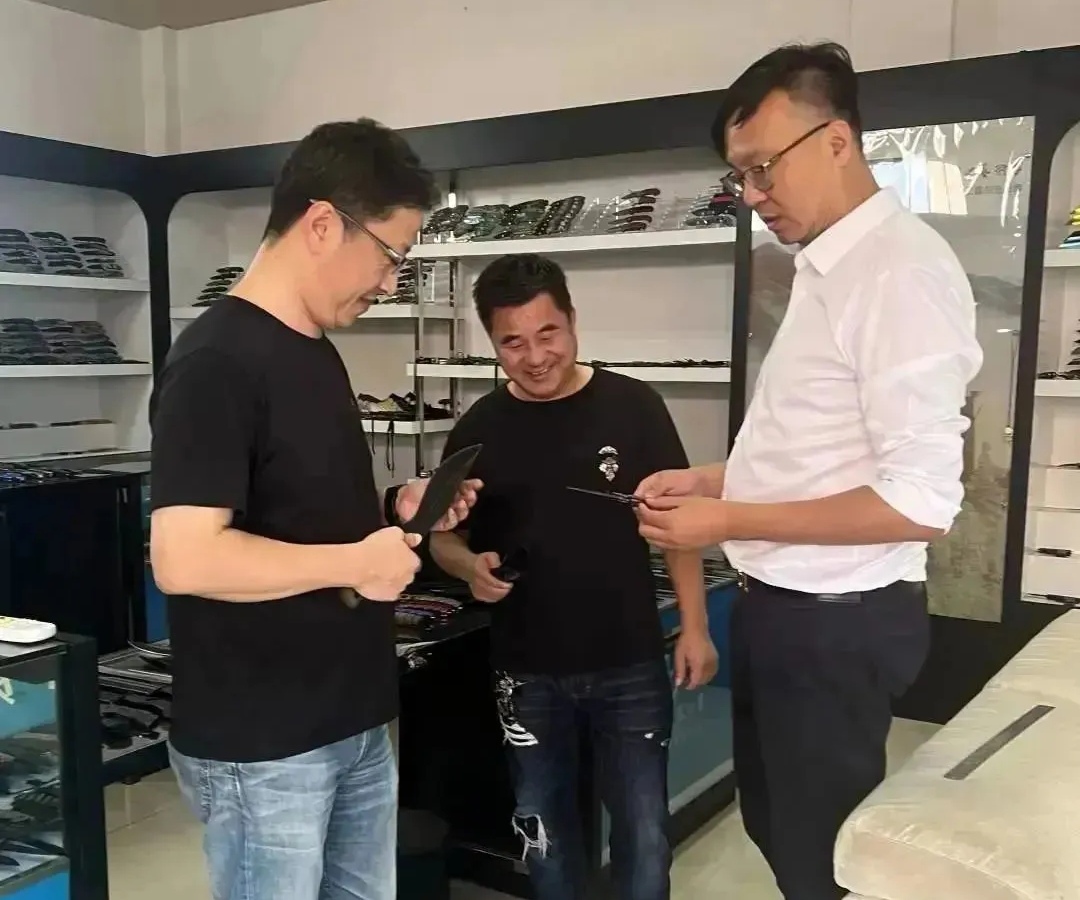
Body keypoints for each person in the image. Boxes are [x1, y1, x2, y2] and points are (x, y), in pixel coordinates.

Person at [633, 43, 983, 900]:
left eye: (763, 169)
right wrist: (713, 481)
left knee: (821, 857)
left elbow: (920, 500)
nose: (753, 194)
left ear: (836, 140)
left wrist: (727, 520)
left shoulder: (898, 273)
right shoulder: (831, 267)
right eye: (739, 176)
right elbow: (816, 446)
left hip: (833, 624)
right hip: (784, 613)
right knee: (779, 829)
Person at [149, 118, 479, 900]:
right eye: (392, 255)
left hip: (350, 717)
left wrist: (394, 509)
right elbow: (185, 557)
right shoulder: (215, 362)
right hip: (265, 742)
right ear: (324, 224)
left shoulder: (316, 352)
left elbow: (293, 510)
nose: (391, 281)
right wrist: (354, 563)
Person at [428, 253, 717, 900]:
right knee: (545, 833)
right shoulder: (479, 428)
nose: (535, 357)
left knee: (644, 831)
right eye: (513, 342)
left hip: (629, 661)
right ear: (492, 341)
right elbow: (444, 534)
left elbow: (679, 527)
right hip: (526, 672)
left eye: (548, 333)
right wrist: (468, 567)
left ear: (572, 321)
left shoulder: (634, 408)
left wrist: (695, 628)